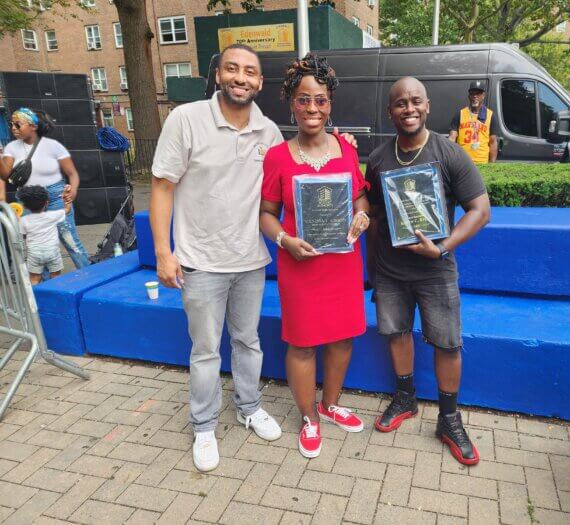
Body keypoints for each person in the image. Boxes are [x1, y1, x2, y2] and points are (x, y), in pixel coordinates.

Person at [150, 44, 358, 471]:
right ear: (219, 74)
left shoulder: (268, 133)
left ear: (261, 83)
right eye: (232, 69)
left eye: (249, 72)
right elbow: (162, 186)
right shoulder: (185, 119)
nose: (240, 78)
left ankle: (248, 407)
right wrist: (163, 252)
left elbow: (332, 177)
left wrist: (344, 144)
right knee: (206, 350)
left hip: (249, 261)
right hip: (201, 259)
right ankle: (204, 426)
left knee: (248, 343)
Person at [366, 77, 491, 465]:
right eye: (400, 103)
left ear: (428, 106)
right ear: (390, 111)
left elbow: (480, 210)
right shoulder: (378, 158)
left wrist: (441, 248)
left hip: (436, 268)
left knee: (448, 342)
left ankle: (449, 418)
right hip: (389, 270)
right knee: (397, 333)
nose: (408, 109)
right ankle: (405, 398)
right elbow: (368, 207)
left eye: (415, 101)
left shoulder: (450, 153)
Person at [259, 54, 370, 459]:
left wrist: (362, 216)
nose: (312, 108)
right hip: (300, 264)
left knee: (342, 338)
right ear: (291, 102)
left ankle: (331, 403)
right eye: (304, 99)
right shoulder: (277, 157)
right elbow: (266, 215)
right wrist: (286, 240)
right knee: (303, 344)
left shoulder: (346, 149)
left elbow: (360, 198)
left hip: (341, 263)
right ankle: (309, 416)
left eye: (320, 100)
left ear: (330, 105)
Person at [0, 108, 90, 269]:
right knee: (38, 245)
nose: (13, 128)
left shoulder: (52, 147)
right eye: (11, 124)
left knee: (70, 241)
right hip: (28, 199)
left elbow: (72, 173)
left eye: (18, 124)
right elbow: (5, 175)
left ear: (33, 126)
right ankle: (45, 287)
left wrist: (73, 191)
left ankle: (90, 278)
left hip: (57, 196)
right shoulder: (11, 149)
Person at [16, 185, 67, 284]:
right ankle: (56, 295)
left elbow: (23, 235)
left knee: (34, 278)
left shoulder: (24, 220)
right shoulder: (53, 215)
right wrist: (66, 200)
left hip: (34, 253)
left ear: (25, 206)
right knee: (56, 276)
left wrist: (18, 219)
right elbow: (67, 210)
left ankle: (34, 298)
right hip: (52, 251)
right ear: (46, 203)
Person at [448, 80, 498, 164]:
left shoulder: (490, 115)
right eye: (472, 93)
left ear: (483, 95)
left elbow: (493, 142)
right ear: (469, 96)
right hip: (463, 162)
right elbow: (452, 138)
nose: (475, 96)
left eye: (478, 93)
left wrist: (492, 165)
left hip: (482, 163)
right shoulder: (460, 114)